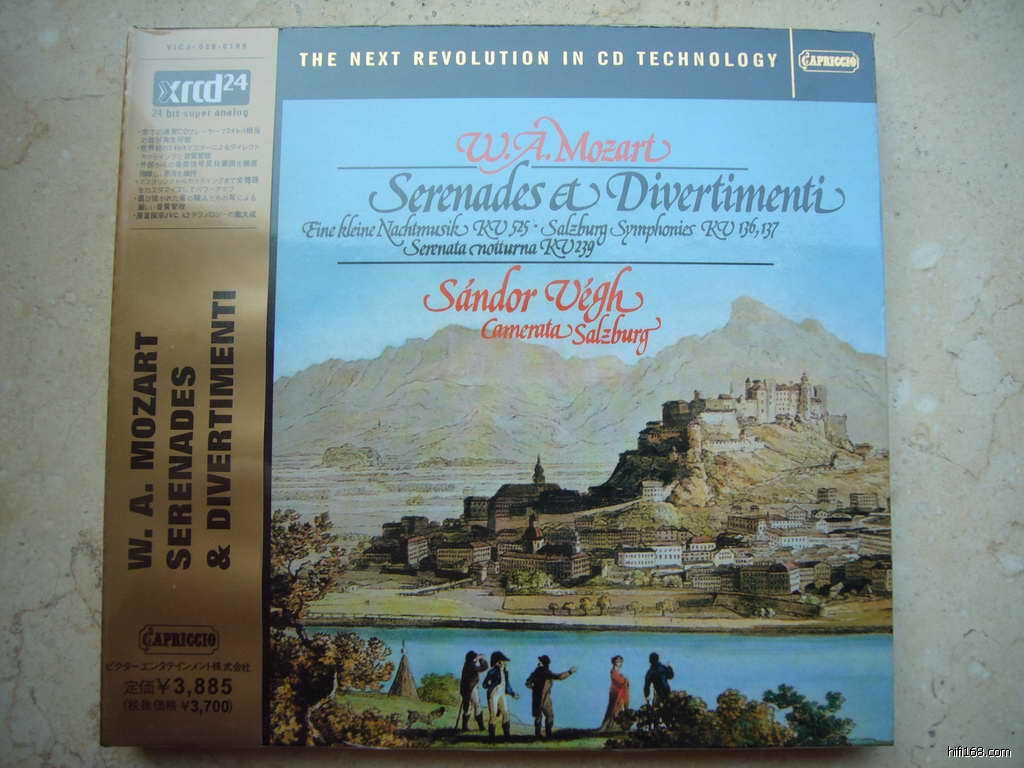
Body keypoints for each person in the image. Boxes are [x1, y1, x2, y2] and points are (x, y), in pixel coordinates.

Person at [524, 654, 577, 739]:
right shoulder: (545, 672)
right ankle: (548, 735)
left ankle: (537, 735)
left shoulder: (535, 673)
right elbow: (559, 677)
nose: (538, 663)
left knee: (538, 717)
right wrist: (570, 672)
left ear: (543, 663)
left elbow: (527, 683)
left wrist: (534, 688)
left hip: (536, 697)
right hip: (545, 698)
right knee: (549, 716)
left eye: (540, 662)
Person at [481, 650, 518, 740]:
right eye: (503, 661)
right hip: (493, 694)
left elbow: (507, 684)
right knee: (493, 715)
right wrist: (489, 683)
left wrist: (512, 693)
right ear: (498, 662)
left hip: (502, 694)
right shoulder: (492, 672)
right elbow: (484, 685)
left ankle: (507, 735)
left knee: (506, 713)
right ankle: (492, 737)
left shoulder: (505, 672)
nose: (505, 663)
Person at [458, 650, 488, 731]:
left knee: (469, 707)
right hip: (471, 688)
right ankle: (481, 727)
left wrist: (478, 658)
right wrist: (481, 659)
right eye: (475, 657)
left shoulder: (468, 664)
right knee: (476, 705)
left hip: (468, 688)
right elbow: (484, 667)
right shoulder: (471, 665)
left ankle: (465, 727)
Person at [598, 655, 629, 731]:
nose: (619, 662)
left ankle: (616, 726)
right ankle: (610, 726)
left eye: (620, 661)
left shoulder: (617, 672)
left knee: (618, 708)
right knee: (613, 708)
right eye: (618, 661)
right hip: (616, 693)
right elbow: (618, 680)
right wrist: (625, 680)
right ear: (614, 662)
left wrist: (624, 680)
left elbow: (622, 681)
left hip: (619, 693)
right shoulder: (613, 671)